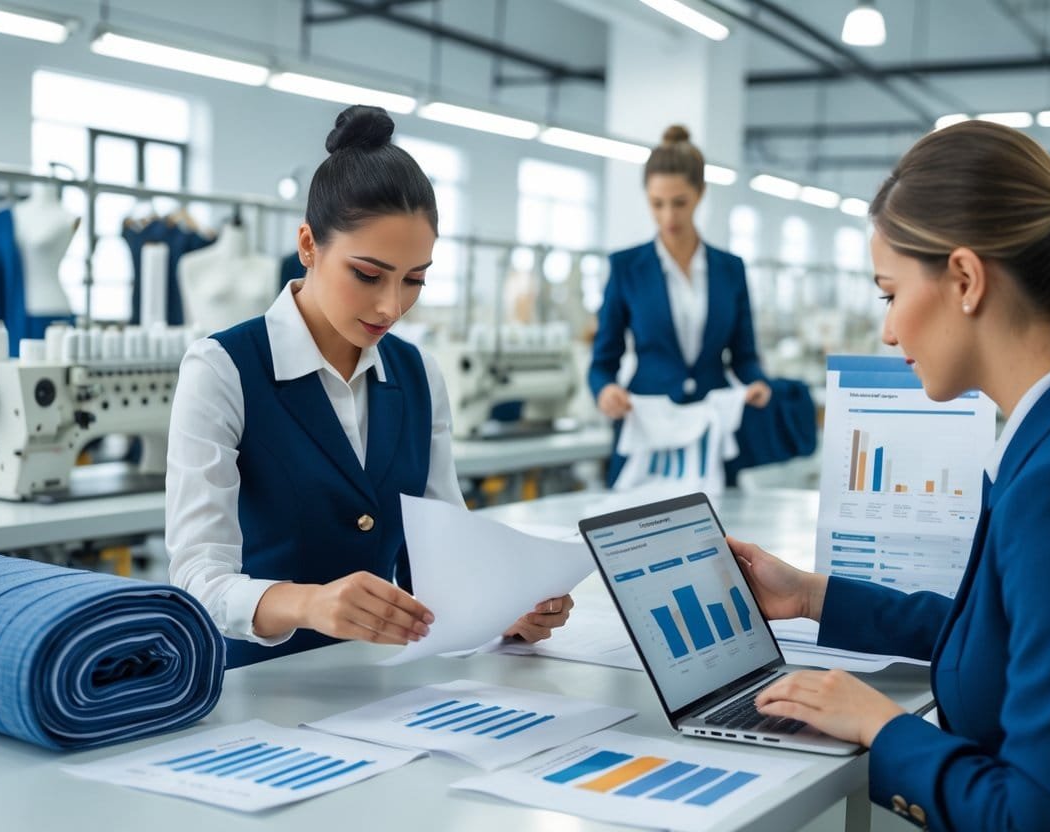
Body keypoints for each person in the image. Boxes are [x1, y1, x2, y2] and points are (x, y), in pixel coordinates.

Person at [730, 120, 1050, 831]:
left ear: (965, 280)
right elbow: (1022, 636)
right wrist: (814, 596)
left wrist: (883, 729)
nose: (886, 330)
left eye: (888, 292)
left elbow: (1040, 820)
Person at [166, 105, 572, 669]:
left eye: (415, 280)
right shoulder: (223, 368)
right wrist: (307, 602)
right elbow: (196, 578)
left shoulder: (418, 374)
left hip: (380, 682)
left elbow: (442, 551)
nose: (391, 306)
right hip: (253, 683)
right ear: (309, 245)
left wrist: (501, 609)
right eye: (368, 274)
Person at [588, 125, 813, 487]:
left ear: (700, 194)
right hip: (647, 427)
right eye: (657, 204)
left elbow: (744, 354)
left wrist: (757, 383)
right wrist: (605, 391)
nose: (668, 217)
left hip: (714, 426)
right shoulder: (626, 267)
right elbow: (602, 363)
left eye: (680, 203)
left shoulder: (730, 269)